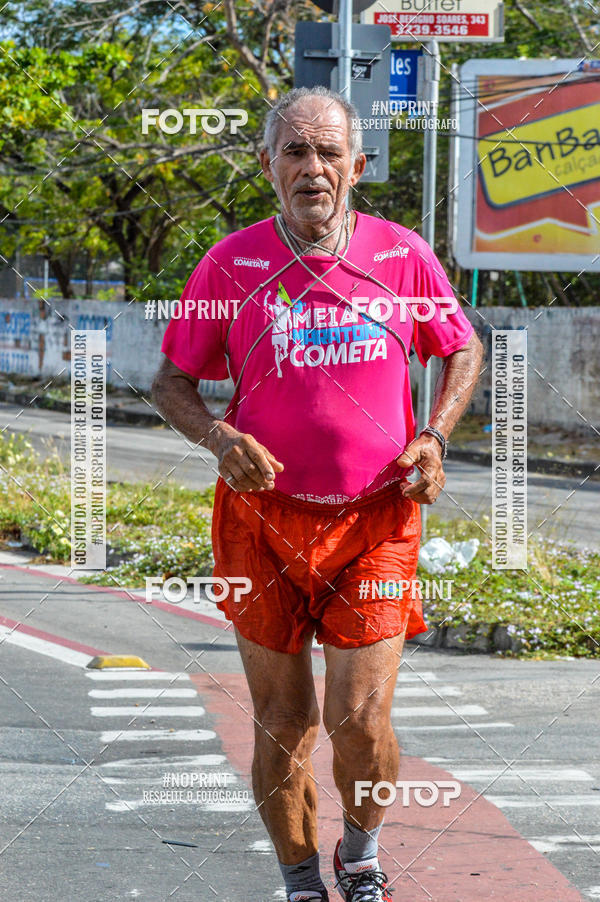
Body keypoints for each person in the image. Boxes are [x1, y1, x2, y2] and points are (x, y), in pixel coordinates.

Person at [152, 86, 483, 902]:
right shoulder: (231, 263)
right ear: (267, 165)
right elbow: (172, 382)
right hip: (260, 526)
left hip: (377, 524)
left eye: (328, 152)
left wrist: (433, 439)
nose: (312, 168)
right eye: (294, 151)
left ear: (358, 166)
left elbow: (462, 349)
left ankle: (361, 856)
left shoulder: (403, 256)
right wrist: (221, 439)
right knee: (284, 723)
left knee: (359, 721)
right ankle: (302, 880)